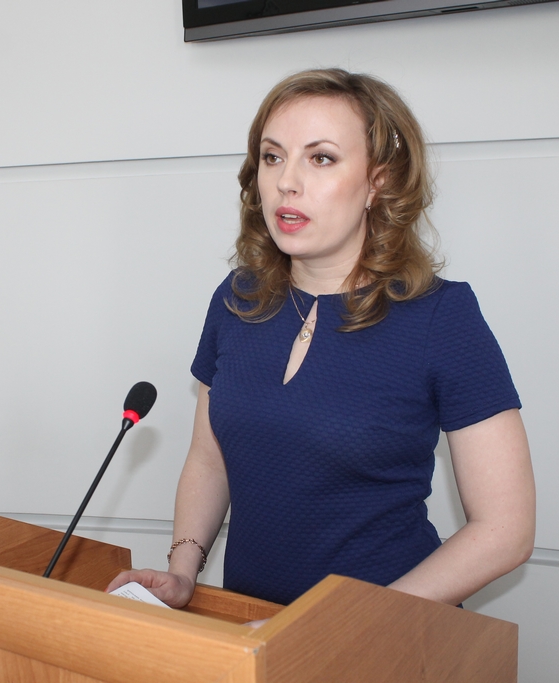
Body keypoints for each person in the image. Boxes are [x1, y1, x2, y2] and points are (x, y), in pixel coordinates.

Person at [107, 68, 535, 609]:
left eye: (322, 158)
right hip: (250, 623)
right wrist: (182, 572)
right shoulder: (237, 298)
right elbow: (210, 458)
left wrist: (340, 627)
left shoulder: (441, 317)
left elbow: (505, 530)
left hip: (381, 630)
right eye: (272, 156)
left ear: (378, 182)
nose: (287, 181)